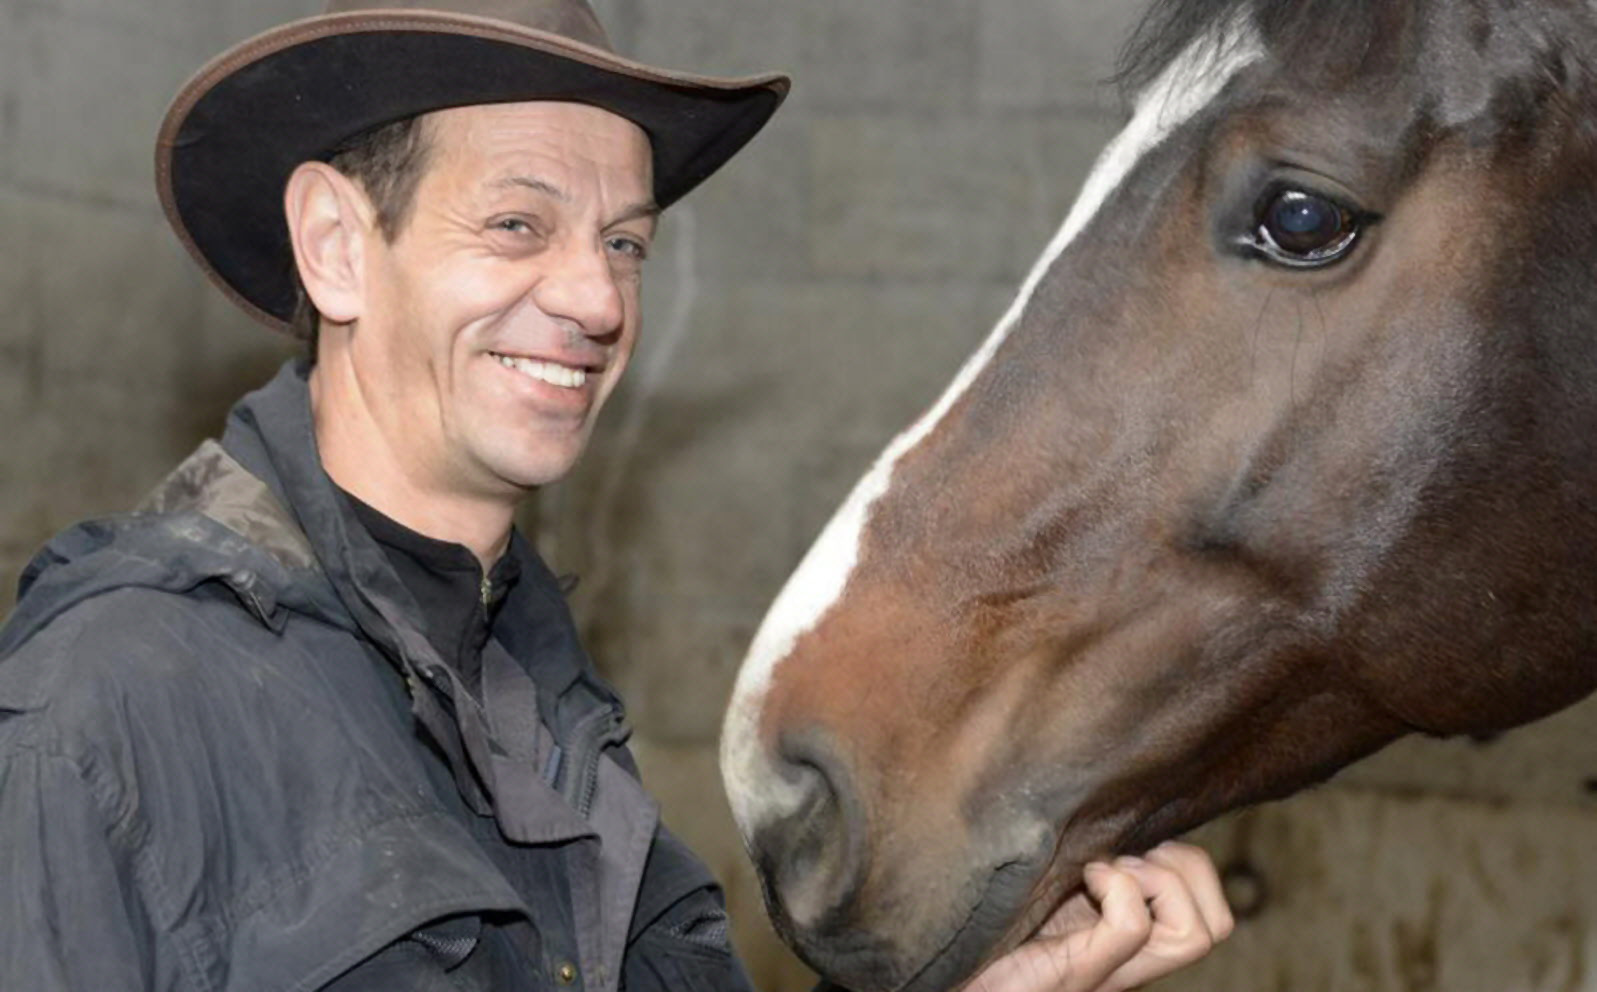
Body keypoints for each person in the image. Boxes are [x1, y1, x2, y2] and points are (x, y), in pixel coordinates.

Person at [0, 1, 1233, 989]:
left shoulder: (532, 684)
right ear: (333, 244)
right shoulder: (107, 697)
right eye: (517, 223)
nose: (596, 300)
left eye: (625, 242)